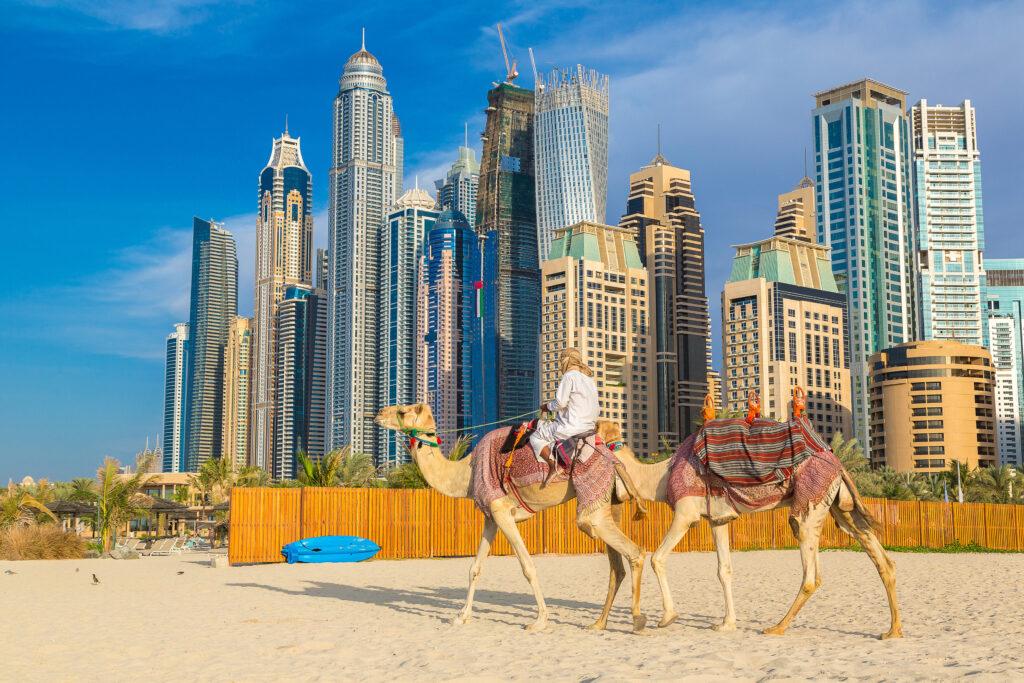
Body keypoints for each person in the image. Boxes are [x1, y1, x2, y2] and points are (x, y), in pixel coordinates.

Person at [529, 348, 600, 484]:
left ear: (565, 361)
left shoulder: (569, 376)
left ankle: (552, 465)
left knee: (535, 436)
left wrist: (546, 407)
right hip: (589, 428)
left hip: (571, 429)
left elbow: (560, 402)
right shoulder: (589, 380)